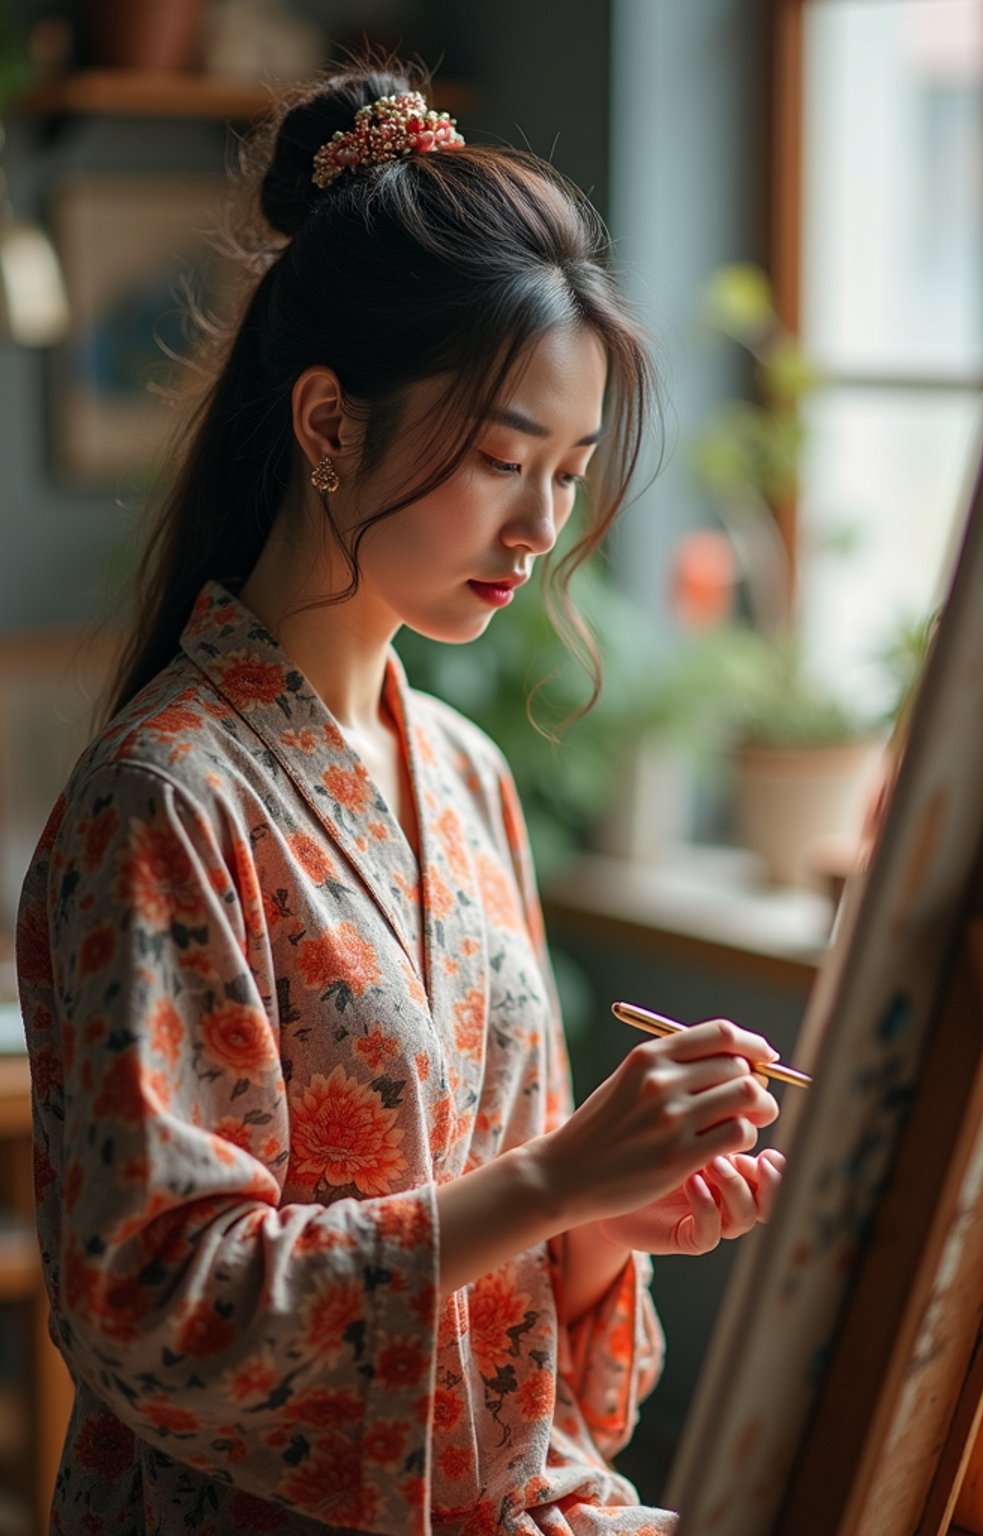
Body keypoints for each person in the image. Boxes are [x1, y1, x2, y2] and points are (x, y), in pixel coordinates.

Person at [16, 57, 785, 1536]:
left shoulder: (467, 775)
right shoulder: (164, 800)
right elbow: (158, 1306)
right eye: (503, 460)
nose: (540, 528)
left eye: (566, 473)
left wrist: (596, 1222)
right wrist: (549, 1180)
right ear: (327, 425)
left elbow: (506, 1247)